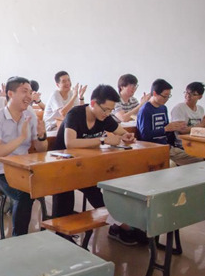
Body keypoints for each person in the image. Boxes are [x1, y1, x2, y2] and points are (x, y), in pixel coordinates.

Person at [51, 84, 141, 245]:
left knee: (103, 193)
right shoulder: (75, 114)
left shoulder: (105, 118)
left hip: (86, 168)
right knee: (65, 196)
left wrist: (127, 137)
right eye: (105, 109)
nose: (107, 114)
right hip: (62, 167)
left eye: (110, 110)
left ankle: (119, 226)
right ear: (93, 103)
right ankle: (62, 238)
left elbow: (122, 132)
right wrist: (103, 140)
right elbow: (70, 143)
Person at [0, 76, 48, 236]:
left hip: (24, 169)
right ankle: (19, 238)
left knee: (56, 182)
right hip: (0, 171)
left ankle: (59, 232)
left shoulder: (29, 115)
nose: (29, 96)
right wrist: (21, 137)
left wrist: (41, 136)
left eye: (30, 92)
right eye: (24, 91)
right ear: (10, 93)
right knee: (24, 193)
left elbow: (41, 149)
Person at [137, 79, 200, 166]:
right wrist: (165, 129)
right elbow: (144, 135)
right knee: (172, 164)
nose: (167, 99)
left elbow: (167, 130)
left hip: (167, 148)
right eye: (165, 96)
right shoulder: (145, 110)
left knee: (200, 159)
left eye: (168, 96)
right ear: (155, 93)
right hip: (152, 149)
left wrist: (175, 127)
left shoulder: (163, 108)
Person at [170, 82, 205, 149]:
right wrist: (203, 124)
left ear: (200, 97)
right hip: (184, 145)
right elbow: (182, 130)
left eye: (193, 94)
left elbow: (202, 129)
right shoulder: (179, 108)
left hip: (199, 142)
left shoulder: (200, 109)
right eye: (187, 93)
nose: (188, 96)